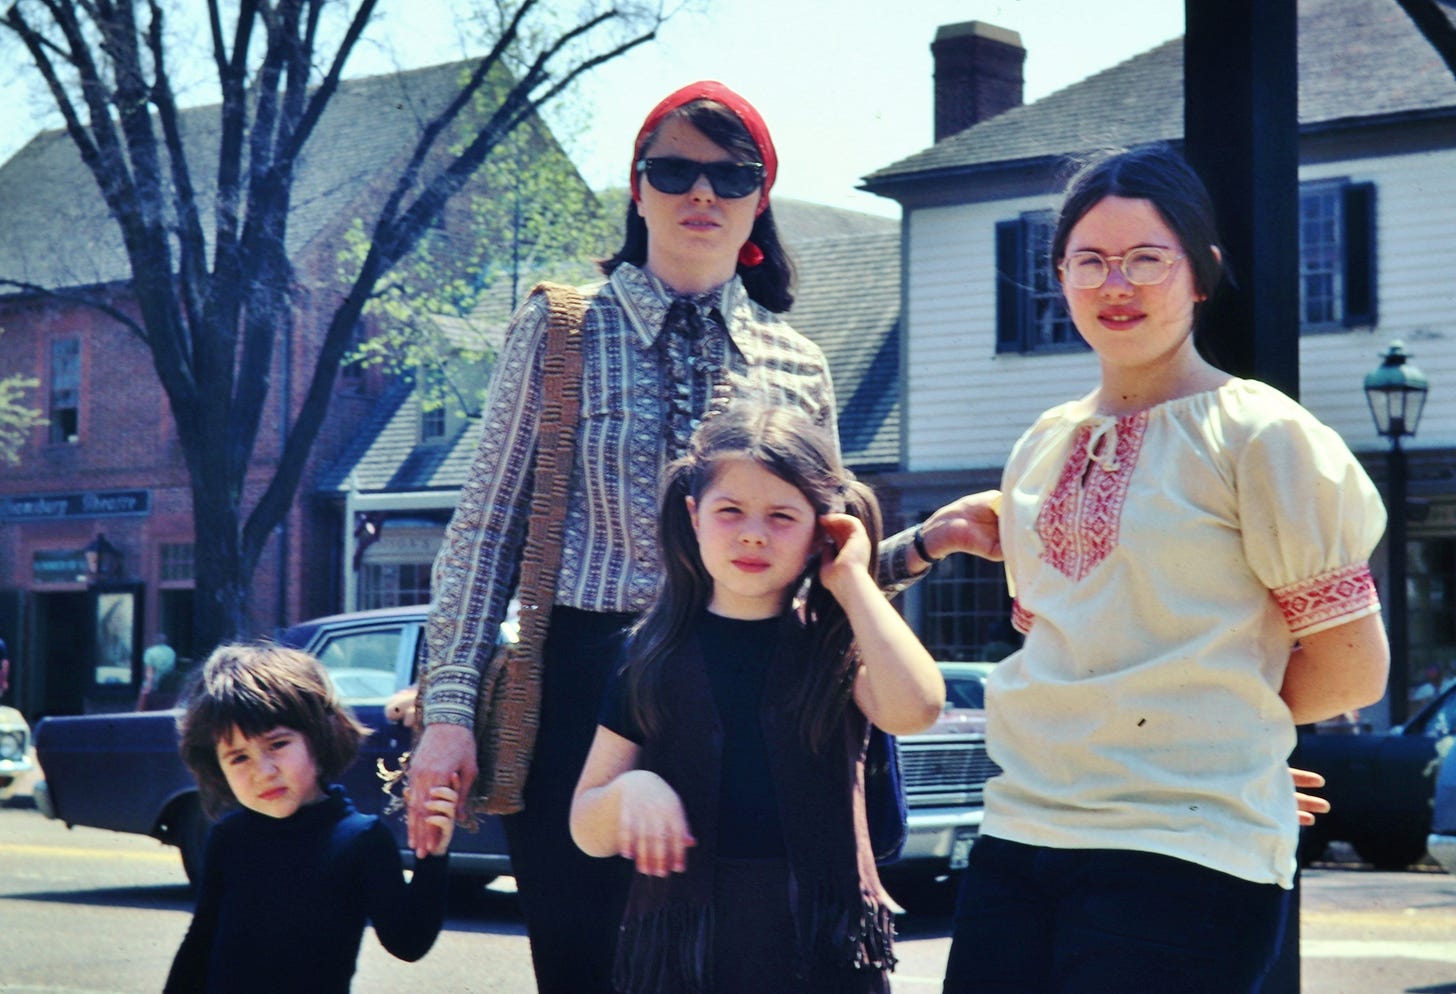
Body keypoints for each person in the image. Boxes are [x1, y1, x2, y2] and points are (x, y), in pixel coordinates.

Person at [405, 80, 959, 994]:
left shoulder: (797, 358)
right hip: (589, 685)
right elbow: (482, 532)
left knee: (763, 963)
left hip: (760, 689)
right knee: (591, 965)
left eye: (730, 175)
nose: (701, 194)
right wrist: (450, 716)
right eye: (674, 171)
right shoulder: (560, 328)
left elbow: (818, 555)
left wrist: (922, 547)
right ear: (636, 187)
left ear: (759, 198)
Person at [935, 145, 1391, 994]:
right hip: (1022, 837)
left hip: (1185, 852)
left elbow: (1352, 665)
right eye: (1091, 261)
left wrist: (1216, 744)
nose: (1118, 284)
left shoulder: (1260, 435)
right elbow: (1067, 651)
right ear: (1059, 278)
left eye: (1148, 258)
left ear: (1201, 274)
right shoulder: (1038, 446)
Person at [570, 404, 945, 993]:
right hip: (684, 958)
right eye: (731, 511)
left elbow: (917, 707)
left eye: (781, 516)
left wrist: (851, 580)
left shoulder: (838, 647)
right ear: (693, 517)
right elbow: (585, 827)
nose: (752, 532)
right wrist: (629, 791)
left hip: (829, 952)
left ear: (822, 530)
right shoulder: (648, 656)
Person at [164, 643, 459, 994]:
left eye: (277, 745)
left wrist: (433, 857)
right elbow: (201, 941)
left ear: (319, 737)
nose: (264, 771)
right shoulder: (230, 836)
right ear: (218, 768)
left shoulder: (361, 840)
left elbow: (408, 942)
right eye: (239, 758)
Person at [136, 632, 178, 711]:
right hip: (168, 683)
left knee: (143, 692)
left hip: (155, 683)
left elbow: (149, 672)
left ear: (155, 641)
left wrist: (148, 687)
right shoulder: (171, 652)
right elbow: (173, 667)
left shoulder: (150, 652)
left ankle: (139, 712)